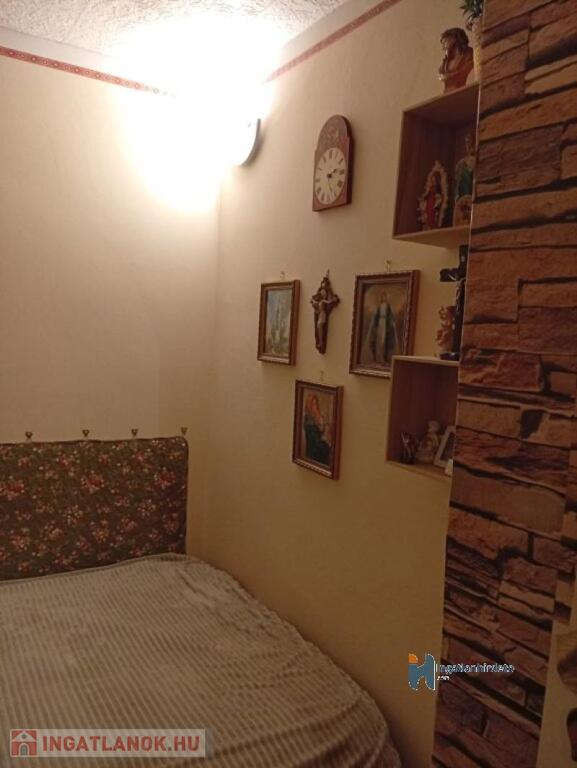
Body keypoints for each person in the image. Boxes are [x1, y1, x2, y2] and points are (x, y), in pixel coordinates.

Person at [367, 290, 398, 365]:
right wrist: (375, 324)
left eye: (385, 296)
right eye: (383, 296)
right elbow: (376, 316)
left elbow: (391, 314)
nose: (384, 298)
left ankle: (384, 358)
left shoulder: (388, 306)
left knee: (384, 341)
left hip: (385, 323)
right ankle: (378, 358)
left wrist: (393, 320)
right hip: (380, 323)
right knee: (379, 340)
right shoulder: (379, 306)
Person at [303, 394, 331, 465]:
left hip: (318, 449)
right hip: (313, 452)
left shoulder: (315, 417)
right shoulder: (308, 420)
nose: (315, 406)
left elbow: (320, 432)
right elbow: (317, 440)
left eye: (316, 404)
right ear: (309, 405)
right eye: (313, 404)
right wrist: (327, 443)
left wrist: (321, 422)